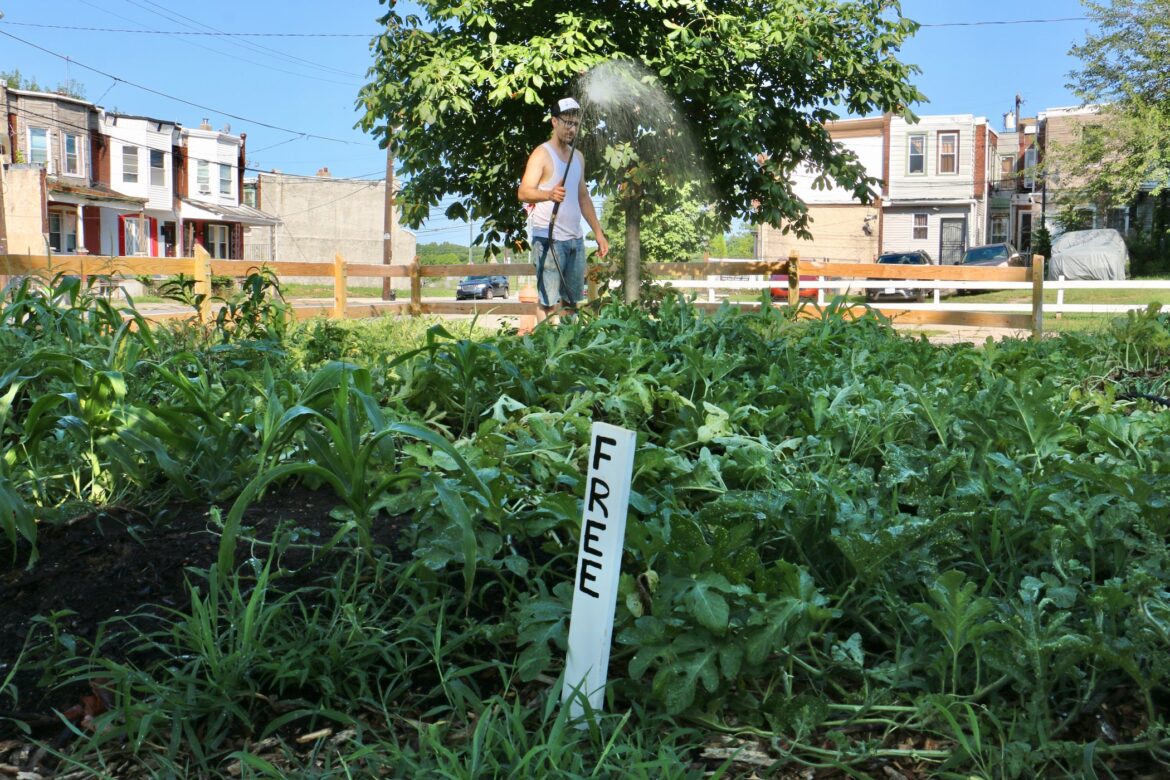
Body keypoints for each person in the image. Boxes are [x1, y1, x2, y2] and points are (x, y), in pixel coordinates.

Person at [518, 96, 609, 321]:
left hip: (575, 241)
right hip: (548, 240)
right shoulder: (542, 154)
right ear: (554, 122)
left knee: (571, 301)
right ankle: (545, 349)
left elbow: (583, 197)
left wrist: (598, 233)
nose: (571, 128)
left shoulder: (578, 157)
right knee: (548, 303)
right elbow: (523, 192)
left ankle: (569, 348)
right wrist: (548, 194)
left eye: (575, 124)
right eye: (566, 122)